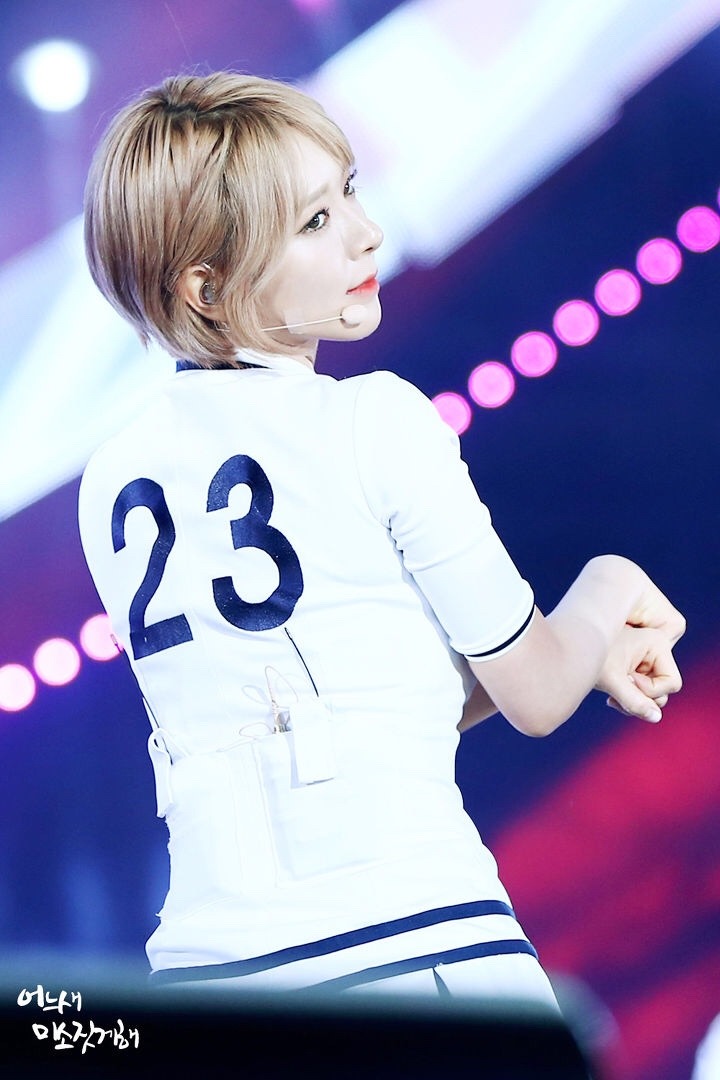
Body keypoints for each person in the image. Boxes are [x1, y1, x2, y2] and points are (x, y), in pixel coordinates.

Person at [78, 72, 684, 1006]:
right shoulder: (374, 420)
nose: (366, 234)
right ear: (206, 285)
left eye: (350, 191)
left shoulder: (111, 480)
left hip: (208, 990)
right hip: (417, 950)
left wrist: (578, 648)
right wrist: (605, 591)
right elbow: (535, 695)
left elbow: (345, 714)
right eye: (314, 221)